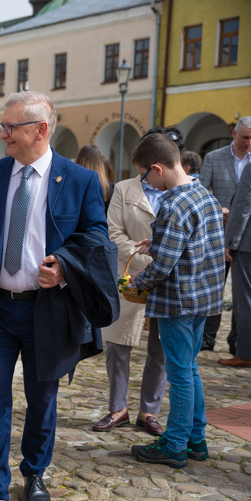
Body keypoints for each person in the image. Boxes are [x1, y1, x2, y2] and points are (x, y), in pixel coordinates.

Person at [0, 91, 111, 501]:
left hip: (48, 311)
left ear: (40, 130)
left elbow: (97, 241)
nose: (3, 136)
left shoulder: (79, 180)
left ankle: (35, 474)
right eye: (2, 127)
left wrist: (65, 270)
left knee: (42, 399)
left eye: (10, 128)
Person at [129, 132, 225, 468]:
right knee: (190, 370)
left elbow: (163, 267)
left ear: (157, 168)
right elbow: (194, 246)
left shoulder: (172, 203)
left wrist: (134, 282)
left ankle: (175, 443)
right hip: (205, 299)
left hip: (178, 302)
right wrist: (156, 241)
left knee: (180, 373)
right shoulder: (204, 195)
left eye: (145, 174)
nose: (146, 181)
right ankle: (196, 439)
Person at [93, 133, 170, 437]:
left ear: (156, 165)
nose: (141, 173)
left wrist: (162, 263)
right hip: (129, 275)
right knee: (117, 342)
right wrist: (143, 260)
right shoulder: (123, 189)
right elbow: (112, 233)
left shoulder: (177, 190)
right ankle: (117, 408)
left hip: (167, 280)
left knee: (160, 346)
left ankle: (149, 411)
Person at [198, 116, 250, 353]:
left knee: (243, 295)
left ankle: (237, 342)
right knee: (214, 287)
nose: (249, 143)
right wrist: (217, 209)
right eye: (245, 138)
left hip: (245, 236)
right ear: (234, 135)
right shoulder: (214, 157)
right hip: (218, 234)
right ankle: (207, 339)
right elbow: (201, 191)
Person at [220, 163, 251, 367]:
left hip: (248, 244)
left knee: (245, 300)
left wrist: (229, 240)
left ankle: (246, 353)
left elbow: (242, 205)